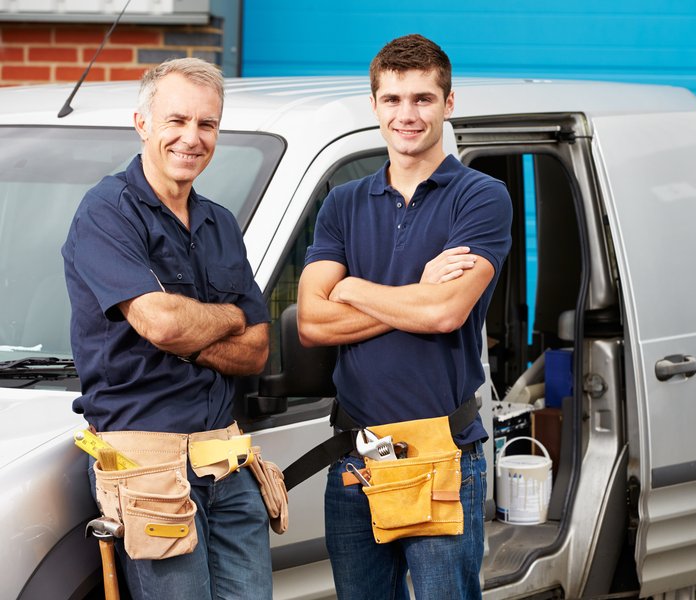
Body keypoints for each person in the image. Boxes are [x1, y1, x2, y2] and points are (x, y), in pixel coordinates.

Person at [297, 34, 513, 599]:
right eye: (392, 100)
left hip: (442, 451)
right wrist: (414, 291)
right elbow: (312, 323)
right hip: (357, 458)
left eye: (422, 98)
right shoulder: (343, 203)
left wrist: (351, 286)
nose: (406, 114)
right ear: (374, 106)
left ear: (448, 103)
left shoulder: (481, 197)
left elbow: (444, 313)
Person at [62, 58, 274, 599]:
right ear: (142, 123)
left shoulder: (220, 222)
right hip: (146, 465)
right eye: (176, 120)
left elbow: (255, 351)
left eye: (207, 124)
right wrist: (225, 317)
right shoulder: (106, 212)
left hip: (224, 459)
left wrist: (191, 327)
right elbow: (162, 325)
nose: (191, 138)